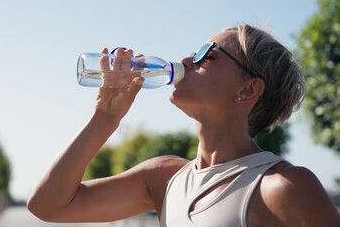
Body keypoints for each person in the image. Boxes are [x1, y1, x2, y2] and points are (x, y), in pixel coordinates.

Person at [27, 24, 340, 226]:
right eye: (193, 53)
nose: (187, 61)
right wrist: (105, 118)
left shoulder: (284, 188)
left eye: (206, 56)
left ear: (247, 89)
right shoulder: (163, 178)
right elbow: (48, 206)